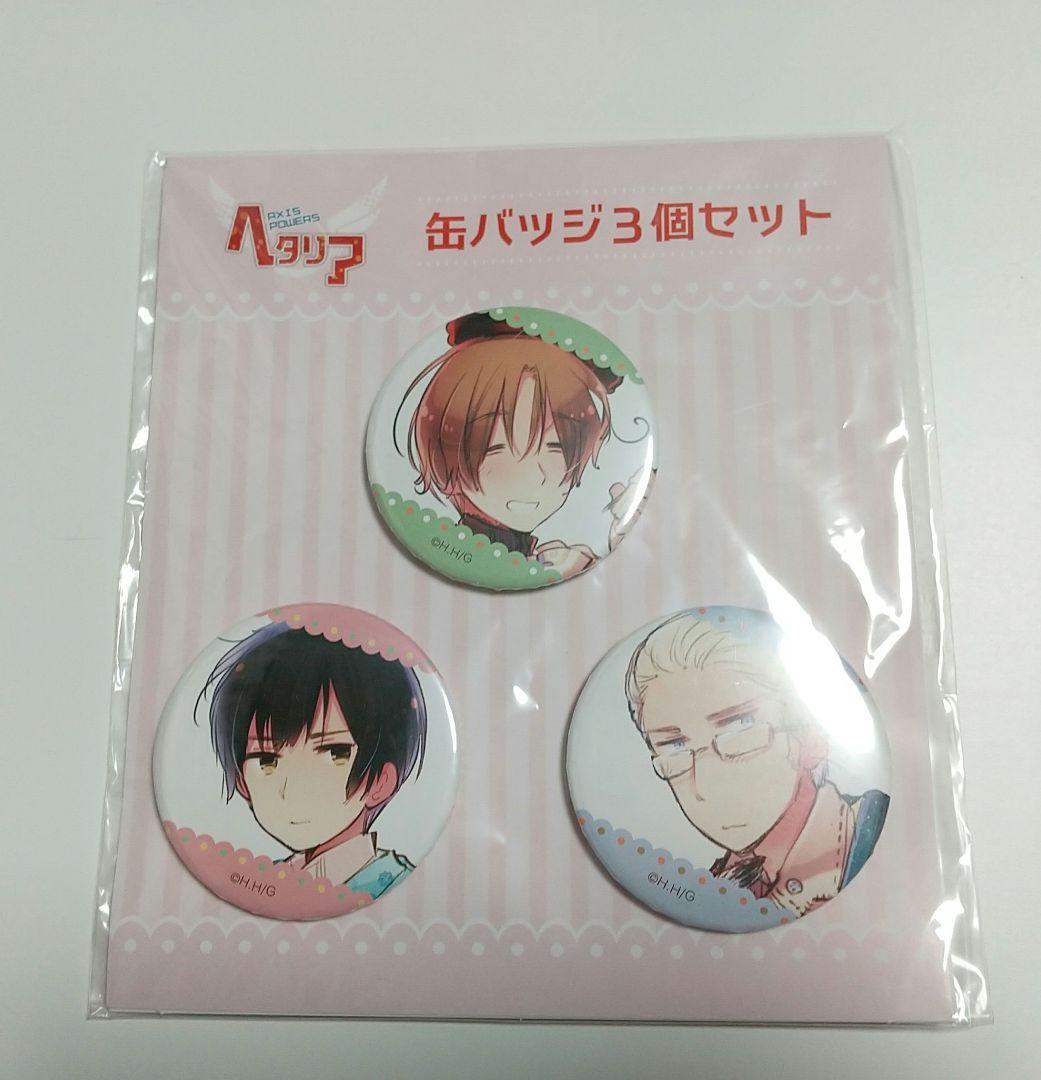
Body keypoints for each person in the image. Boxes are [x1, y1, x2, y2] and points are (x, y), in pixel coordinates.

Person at [625, 612, 889, 918]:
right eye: (675, 747)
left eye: (739, 726)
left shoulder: (872, 836)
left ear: (810, 736)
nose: (706, 784)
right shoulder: (711, 889)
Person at [198, 618, 426, 900]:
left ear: (381, 780)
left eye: (334, 753)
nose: (292, 789)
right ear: (242, 781)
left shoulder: (391, 885)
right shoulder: (263, 881)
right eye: (266, 760)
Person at [401, 312, 621, 579]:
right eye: (496, 448)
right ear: (446, 450)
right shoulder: (456, 548)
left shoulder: (538, 555)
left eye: (555, 447)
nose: (535, 475)